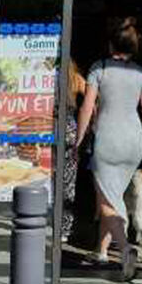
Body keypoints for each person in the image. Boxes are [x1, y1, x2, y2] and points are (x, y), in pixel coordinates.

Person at [76, 17, 142, 280]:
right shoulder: (141, 74)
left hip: (108, 140)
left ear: (109, 43)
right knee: (114, 196)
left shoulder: (98, 68)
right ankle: (102, 250)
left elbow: (86, 108)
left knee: (106, 202)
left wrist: (79, 141)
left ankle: (126, 249)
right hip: (134, 143)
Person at [62, 61, 87, 244]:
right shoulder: (76, 79)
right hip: (70, 129)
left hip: (48, 126)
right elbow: (94, 98)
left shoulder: (50, 76)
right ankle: (65, 227)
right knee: (68, 182)